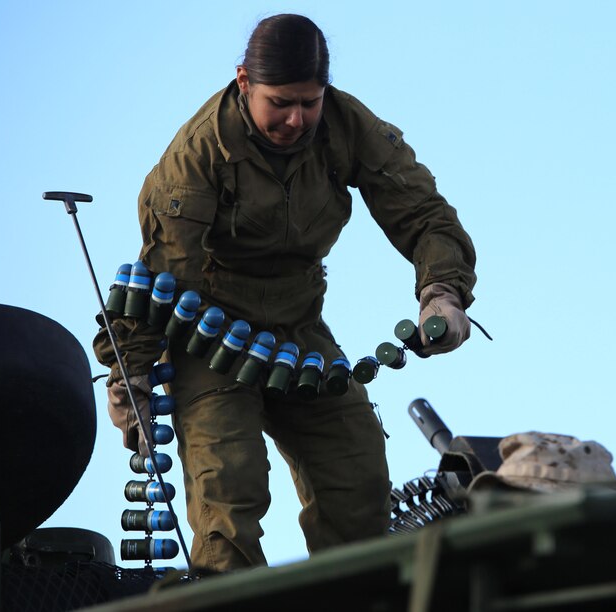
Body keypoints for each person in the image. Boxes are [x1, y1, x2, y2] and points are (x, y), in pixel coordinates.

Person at [94, 13, 477, 574]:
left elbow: (425, 216)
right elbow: (163, 278)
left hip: (299, 330)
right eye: (281, 102)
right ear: (244, 82)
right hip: (209, 337)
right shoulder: (197, 156)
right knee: (231, 493)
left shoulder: (348, 126)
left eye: (310, 101)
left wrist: (442, 294)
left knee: (357, 476)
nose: (297, 119)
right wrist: (130, 376)